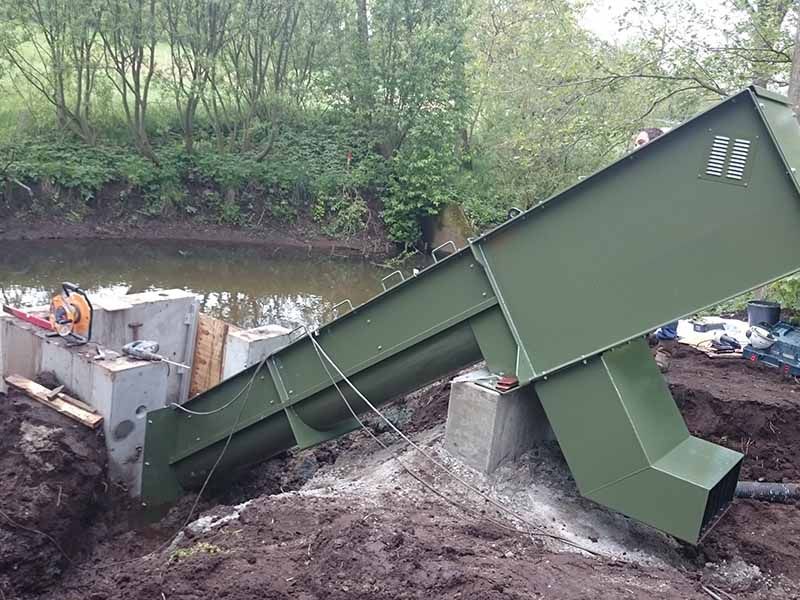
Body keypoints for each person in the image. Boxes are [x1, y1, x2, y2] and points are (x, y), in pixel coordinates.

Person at [633, 126, 678, 373]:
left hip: (670, 244)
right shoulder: (635, 172)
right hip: (643, 246)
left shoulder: (668, 172)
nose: (636, 148)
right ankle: (639, 339)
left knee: (671, 295)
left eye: (641, 143)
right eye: (635, 143)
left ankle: (665, 349)